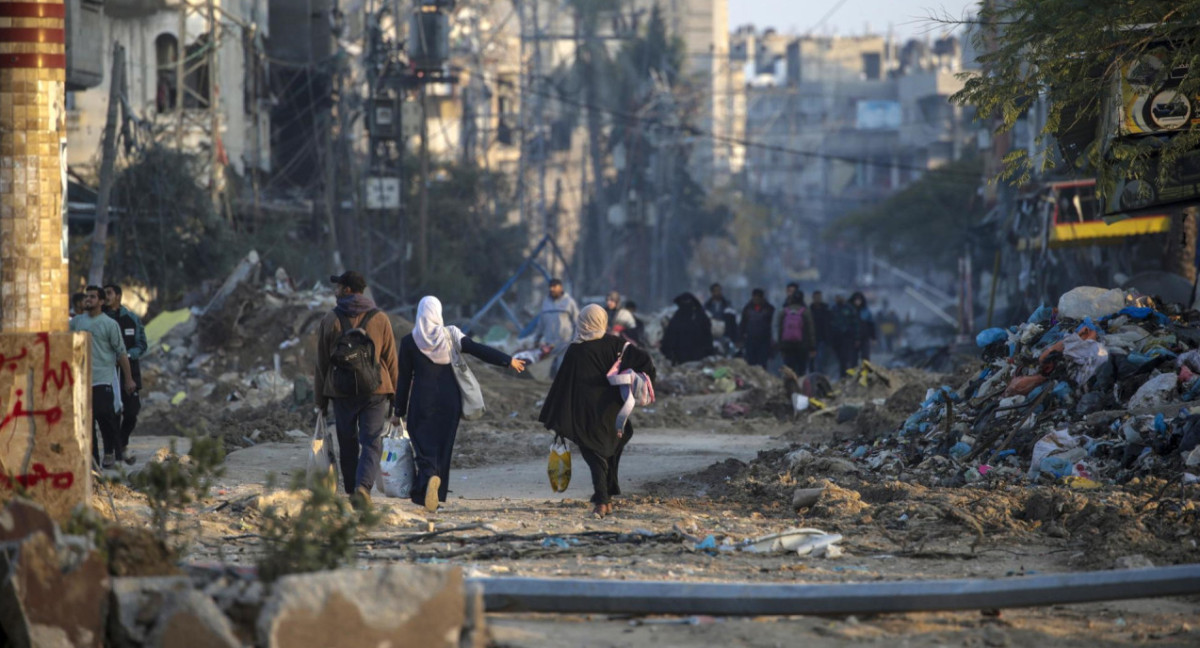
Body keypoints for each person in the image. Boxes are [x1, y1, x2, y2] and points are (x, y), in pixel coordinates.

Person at [393, 296, 527, 512]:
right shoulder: (451, 334)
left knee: (423, 445)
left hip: (422, 400)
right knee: (443, 447)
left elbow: (404, 378)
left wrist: (397, 410)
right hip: (450, 400)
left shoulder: (410, 341)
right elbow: (478, 349)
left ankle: (428, 480)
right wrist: (507, 360)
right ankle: (437, 491)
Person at [539, 305, 656, 518]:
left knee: (593, 454)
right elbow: (646, 363)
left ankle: (602, 499)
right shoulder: (617, 345)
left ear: (582, 321)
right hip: (613, 412)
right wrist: (631, 381)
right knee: (609, 450)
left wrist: (556, 417)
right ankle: (606, 495)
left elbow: (563, 384)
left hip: (585, 414)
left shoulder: (576, 349)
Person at [314, 271, 398, 507]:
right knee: (372, 441)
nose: (335, 290)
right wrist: (396, 397)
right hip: (376, 389)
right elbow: (391, 359)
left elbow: (321, 363)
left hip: (341, 391)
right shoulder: (380, 318)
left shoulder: (331, 319)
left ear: (348, 290)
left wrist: (319, 400)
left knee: (347, 441)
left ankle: (352, 490)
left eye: (338, 287)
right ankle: (363, 489)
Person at [70, 286, 136, 467]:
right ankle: (94, 465)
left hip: (102, 378)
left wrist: (129, 379)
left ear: (100, 301)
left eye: (92, 297)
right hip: (81, 381)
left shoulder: (109, 324)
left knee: (104, 415)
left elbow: (121, 353)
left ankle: (110, 451)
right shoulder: (76, 322)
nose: (88, 300)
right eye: (86, 297)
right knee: (86, 424)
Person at [103, 284, 148, 465]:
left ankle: (121, 444)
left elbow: (142, 344)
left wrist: (128, 356)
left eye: (109, 293)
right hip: (108, 371)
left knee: (131, 412)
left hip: (129, 371)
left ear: (119, 296)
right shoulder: (102, 319)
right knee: (111, 414)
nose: (106, 297)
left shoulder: (131, 319)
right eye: (104, 294)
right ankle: (111, 452)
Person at [533, 279, 579, 378]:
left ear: (560, 287)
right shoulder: (546, 303)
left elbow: (577, 322)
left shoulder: (569, 302)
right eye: (550, 287)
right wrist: (537, 339)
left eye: (554, 286)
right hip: (549, 345)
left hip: (564, 343)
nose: (551, 289)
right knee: (549, 373)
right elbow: (541, 322)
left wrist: (575, 339)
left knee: (562, 371)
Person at [661, 293, 713, 364]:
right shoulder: (677, 316)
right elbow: (669, 337)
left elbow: (707, 336)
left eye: (688, 302)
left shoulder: (700, 316)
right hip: (680, 357)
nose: (686, 305)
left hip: (698, 357)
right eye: (684, 303)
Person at [777, 293, 816, 376]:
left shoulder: (784, 311)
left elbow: (780, 329)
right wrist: (812, 346)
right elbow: (810, 330)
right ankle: (800, 385)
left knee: (789, 368)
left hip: (787, 345)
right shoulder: (806, 312)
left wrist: (780, 346)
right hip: (802, 345)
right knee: (801, 368)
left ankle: (789, 386)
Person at [740, 288, 775, 369]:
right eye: (754, 297)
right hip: (750, 340)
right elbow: (743, 324)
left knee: (762, 364)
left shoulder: (769, 309)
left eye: (758, 297)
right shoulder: (747, 309)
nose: (756, 299)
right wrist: (740, 338)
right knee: (751, 364)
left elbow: (772, 325)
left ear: (761, 298)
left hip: (764, 341)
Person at [831, 294, 860, 375]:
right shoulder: (833, 309)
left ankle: (846, 375)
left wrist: (857, 337)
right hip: (836, 338)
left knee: (847, 358)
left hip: (847, 337)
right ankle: (842, 375)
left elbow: (855, 323)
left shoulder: (849, 308)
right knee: (840, 358)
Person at [810, 290, 833, 374]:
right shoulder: (809, 310)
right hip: (812, 338)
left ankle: (819, 376)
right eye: (816, 297)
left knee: (820, 359)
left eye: (819, 297)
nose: (817, 299)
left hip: (823, 338)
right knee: (812, 360)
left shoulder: (826, 309)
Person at [850, 292, 876, 362]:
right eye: (856, 300)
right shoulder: (850, 310)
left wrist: (873, 337)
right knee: (853, 358)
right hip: (852, 338)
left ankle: (865, 372)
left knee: (865, 357)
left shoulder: (866, 311)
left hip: (864, 337)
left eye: (859, 300)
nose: (857, 302)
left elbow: (871, 325)